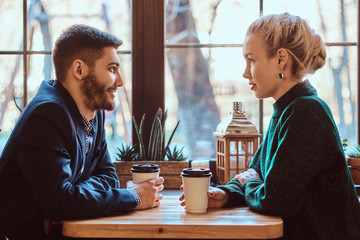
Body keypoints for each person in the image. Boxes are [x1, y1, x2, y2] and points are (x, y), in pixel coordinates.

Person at [180, 13, 360, 239]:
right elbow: (256, 172)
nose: (245, 72)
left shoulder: (306, 112)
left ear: (280, 59)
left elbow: (274, 199)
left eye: (251, 60)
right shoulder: (287, 110)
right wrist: (225, 194)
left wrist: (249, 183)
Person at [0, 24, 164, 240]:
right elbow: (61, 202)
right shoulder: (47, 115)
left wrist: (74, 197)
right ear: (79, 70)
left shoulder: (91, 112)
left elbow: (108, 177)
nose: (120, 82)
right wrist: (134, 196)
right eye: (112, 69)